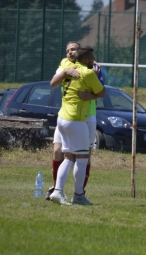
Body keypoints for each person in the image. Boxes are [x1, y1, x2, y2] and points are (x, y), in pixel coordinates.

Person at [45, 42, 104, 200]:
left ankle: (59, 191)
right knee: (81, 157)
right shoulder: (77, 69)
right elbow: (102, 92)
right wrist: (66, 72)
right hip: (76, 119)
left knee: (70, 156)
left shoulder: (87, 67)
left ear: (78, 52)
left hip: (67, 118)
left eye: (73, 49)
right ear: (85, 59)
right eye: (68, 50)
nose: (70, 52)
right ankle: (78, 194)